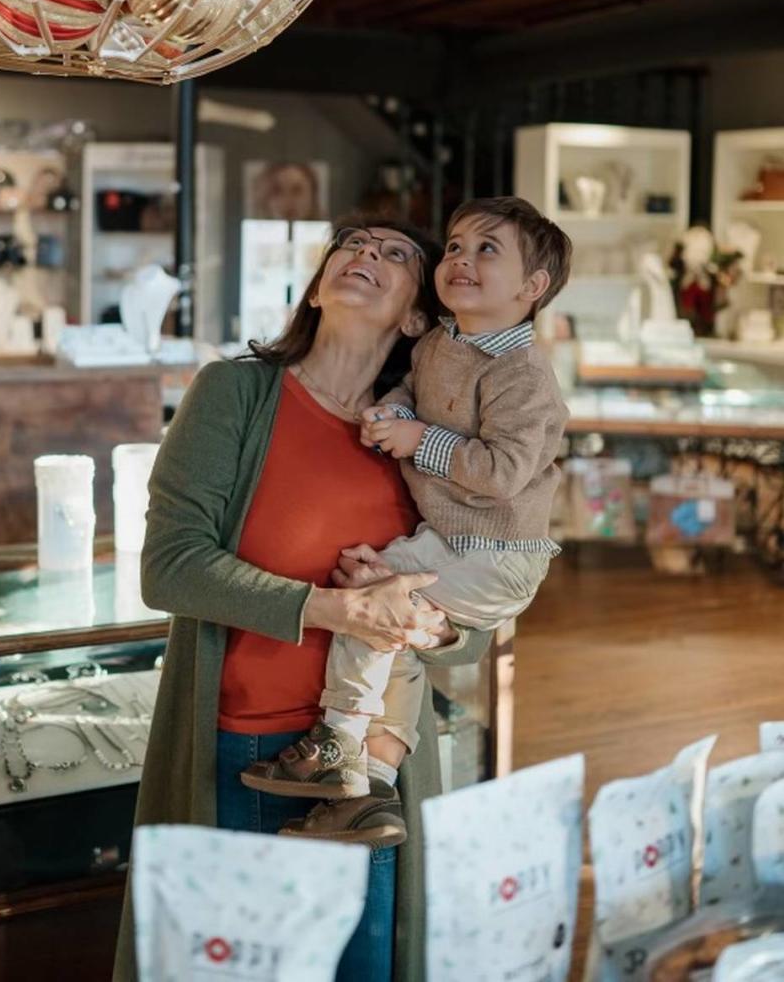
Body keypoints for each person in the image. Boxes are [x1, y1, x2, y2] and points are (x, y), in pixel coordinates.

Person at [112, 217, 492, 982]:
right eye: (351, 246)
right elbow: (170, 566)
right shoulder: (236, 393)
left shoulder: (433, 439)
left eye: (394, 254)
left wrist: (431, 622)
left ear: (418, 315)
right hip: (246, 751)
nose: (365, 256)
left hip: (370, 771)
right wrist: (335, 609)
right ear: (317, 286)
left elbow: (480, 620)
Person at [241, 197, 572, 844]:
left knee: (378, 605)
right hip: (450, 544)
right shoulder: (441, 345)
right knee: (386, 622)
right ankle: (374, 787)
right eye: (453, 246)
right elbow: (412, 395)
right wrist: (392, 414)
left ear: (532, 288)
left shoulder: (523, 375)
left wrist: (417, 439)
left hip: (493, 550)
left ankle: (338, 743)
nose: (462, 260)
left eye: (486, 250)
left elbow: (504, 472)